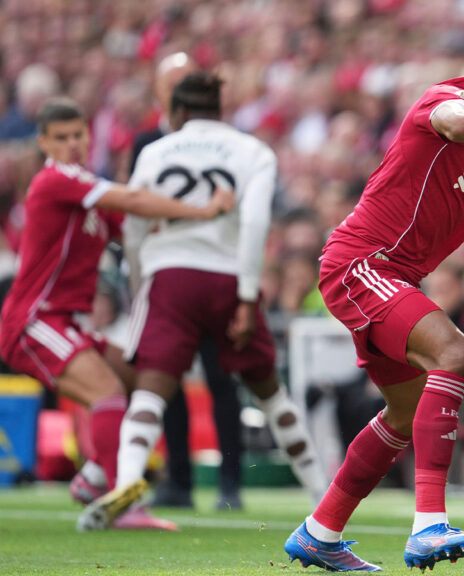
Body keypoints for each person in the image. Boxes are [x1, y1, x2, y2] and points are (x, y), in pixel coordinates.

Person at [282, 8, 464, 573]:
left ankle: (320, 531)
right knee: (455, 354)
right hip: (360, 261)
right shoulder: (451, 97)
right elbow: (459, 127)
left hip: (394, 276)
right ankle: (428, 524)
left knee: (404, 414)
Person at [76, 72, 326, 530]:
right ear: (219, 110)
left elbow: (134, 221)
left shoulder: (156, 151)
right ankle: (322, 494)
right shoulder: (252, 151)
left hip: (170, 273)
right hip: (229, 275)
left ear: (177, 112)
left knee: (150, 390)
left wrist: (142, 278)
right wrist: (247, 297)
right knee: (271, 393)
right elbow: (254, 224)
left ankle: (126, 484)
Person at [0, 97, 232, 530]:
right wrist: (202, 209)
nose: (72, 144)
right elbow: (134, 200)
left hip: (69, 323)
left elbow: (140, 229)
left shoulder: (87, 195)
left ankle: (93, 478)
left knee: (142, 377)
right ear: (43, 143)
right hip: (35, 320)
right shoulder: (57, 180)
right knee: (107, 393)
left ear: (90, 136)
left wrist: (200, 239)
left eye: (78, 135)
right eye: (61, 137)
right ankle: (121, 502)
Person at [130, 52, 246, 511]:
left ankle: (230, 483)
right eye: (172, 83)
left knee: (223, 378)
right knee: (166, 380)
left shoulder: (229, 146)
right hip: (168, 277)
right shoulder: (147, 144)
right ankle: (177, 478)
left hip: (218, 273)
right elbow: (137, 208)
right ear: (160, 93)